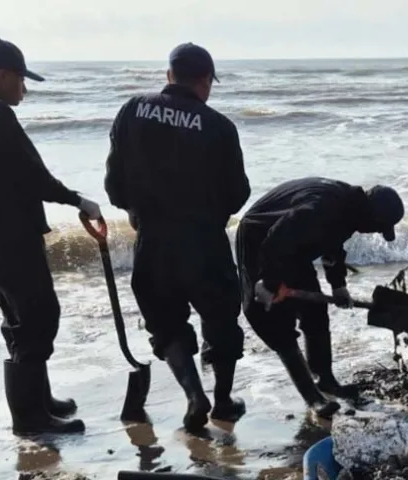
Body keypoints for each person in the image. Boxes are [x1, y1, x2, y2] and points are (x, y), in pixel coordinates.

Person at [0, 38, 101, 436]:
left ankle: (38, 401)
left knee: (18, 318)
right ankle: (30, 419)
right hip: (8, 231)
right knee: (39, 315)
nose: (24, 89)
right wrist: (76, 200)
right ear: (1, 75)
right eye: (20, 79)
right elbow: (30, 173)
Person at [103, 42, 252, 431]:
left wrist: (133, 209)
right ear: (205, 81)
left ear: (169, 76)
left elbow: (114, 182)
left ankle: (192, 395)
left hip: (152, 239)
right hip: (204, 240)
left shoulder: (133, 110)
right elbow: (238, 193)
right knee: (220, 319)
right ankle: (222, 401)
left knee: (166, 322)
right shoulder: (219, 127)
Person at [238, 177, 405, 418]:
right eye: (380, 227)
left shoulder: (349, 209)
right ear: (371, 217)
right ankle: (313, 398)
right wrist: (269, 282)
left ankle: (325, 380)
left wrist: (338, 286)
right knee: (274, 322)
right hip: (260, 240)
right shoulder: (321, 208)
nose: (377, 233)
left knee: (314, 312)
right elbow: (277, 238)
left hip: (292, 248)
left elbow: (332, 244)